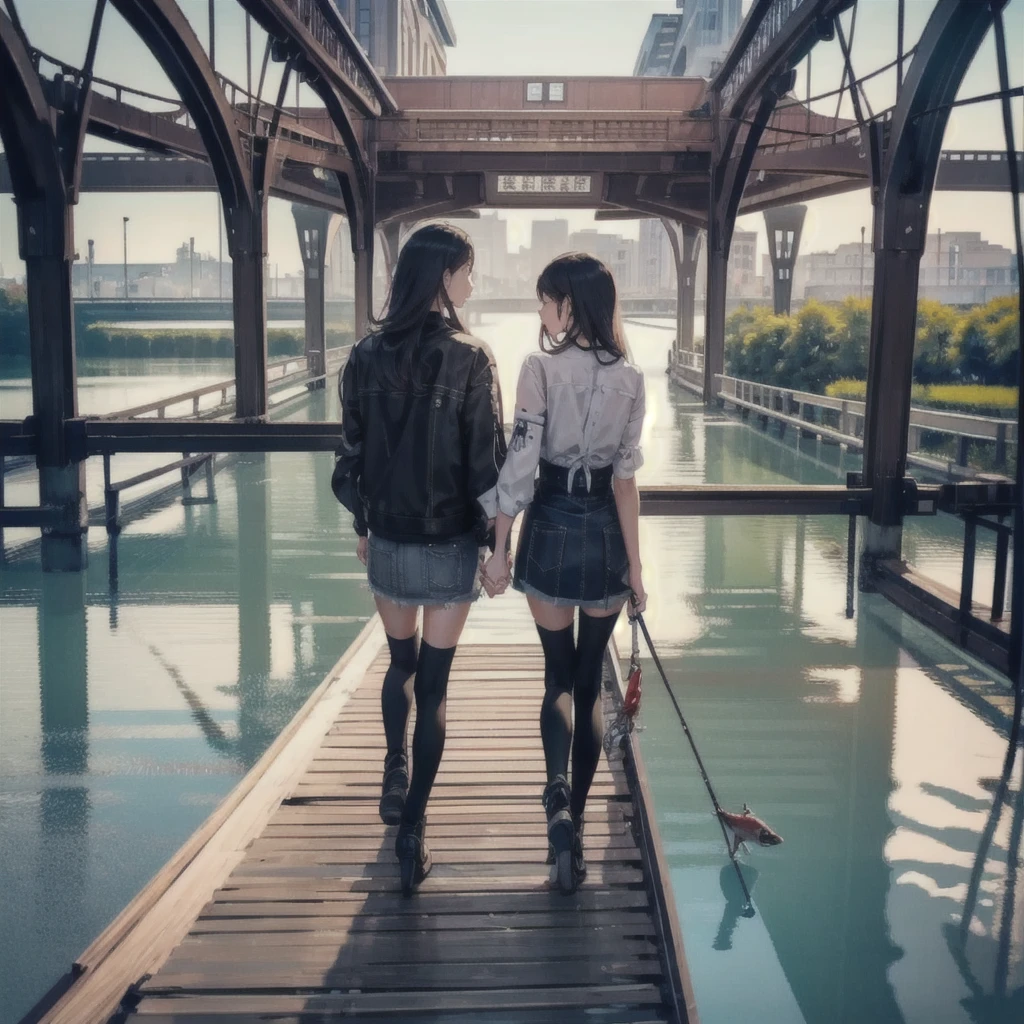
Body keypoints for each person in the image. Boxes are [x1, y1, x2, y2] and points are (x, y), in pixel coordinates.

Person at [332, 223, 506, 896]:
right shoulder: (472, 357)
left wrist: (365, 522)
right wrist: (495, 547)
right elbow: (485, 465)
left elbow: (348, 459)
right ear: (442, 279)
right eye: (466, 271)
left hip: (388, 543)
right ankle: (413, 832)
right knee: (434, 684)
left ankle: (392, 767)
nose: (471, 283)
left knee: (398, 663)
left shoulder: (365, 356)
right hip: (449, 546)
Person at [482, 252, 647, 895]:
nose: (540, 310)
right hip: (605, 535)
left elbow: (520, 464)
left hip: (549, 528)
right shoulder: (632, 378)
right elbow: (627, 481)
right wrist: (637, 570)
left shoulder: (538, 368)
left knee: (556, 676)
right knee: (589, 681)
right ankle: (575, 823)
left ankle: (554, 795)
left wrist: (500, 546)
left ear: (568, 305)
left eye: (546, 299)